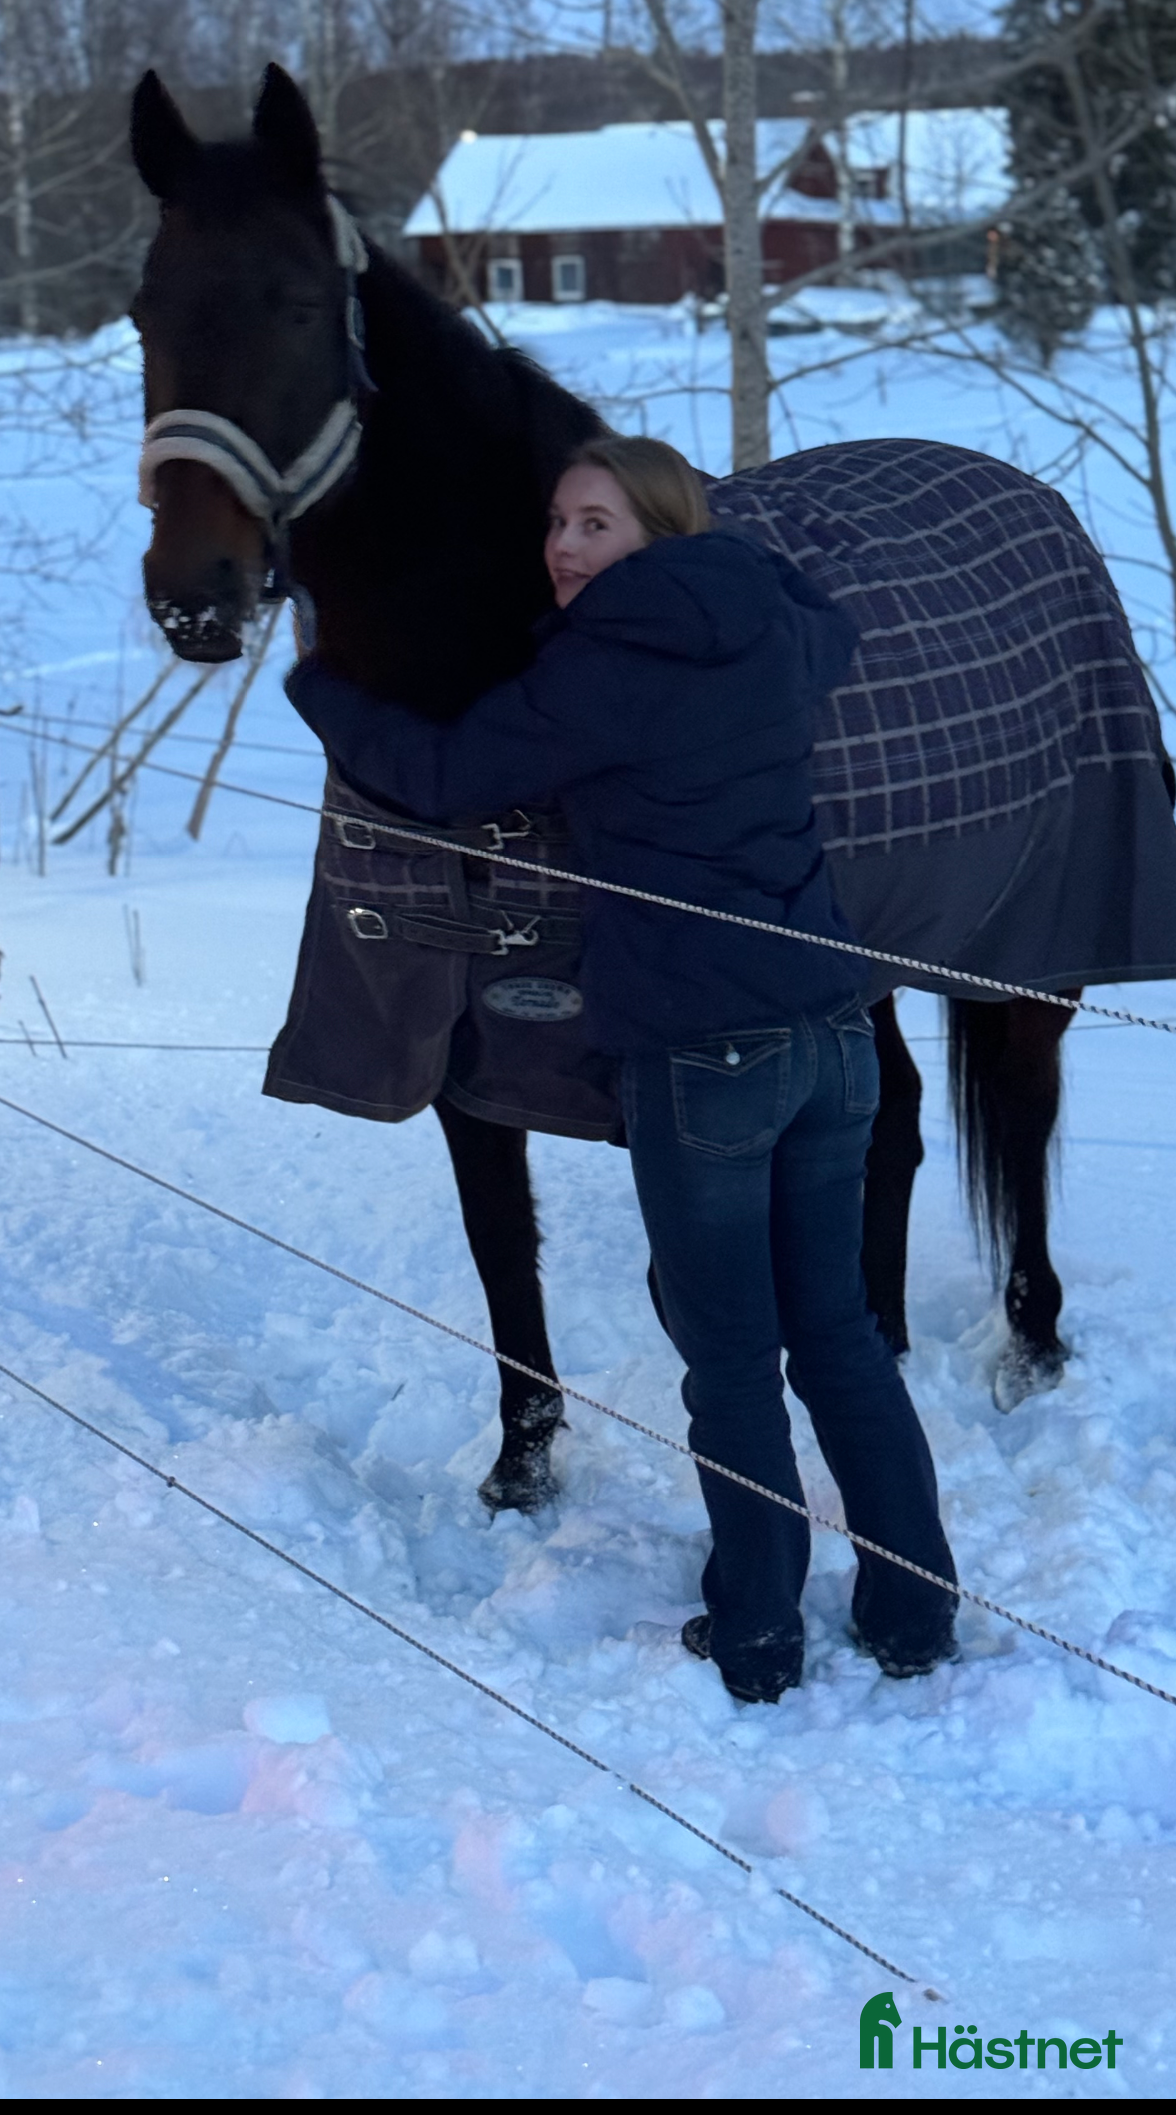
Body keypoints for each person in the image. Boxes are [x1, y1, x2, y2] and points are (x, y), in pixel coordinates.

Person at [287, 434, 958, 1705]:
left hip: (707, 1053)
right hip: (833, 1026)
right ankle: (915, 1613)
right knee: (840, 1341)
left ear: (656, 533)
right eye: (556, 521)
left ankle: (758, 1631)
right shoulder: (768, 622)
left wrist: (319, 677)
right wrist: (718, 552)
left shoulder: (612, 662)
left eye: (596, 524)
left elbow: (440, 774)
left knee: (733, 1360)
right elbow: (827, 620)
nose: (563, 548)